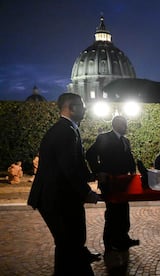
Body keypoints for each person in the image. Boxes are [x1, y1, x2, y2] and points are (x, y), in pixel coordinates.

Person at [27, 92, 100, 276]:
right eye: (82, 106)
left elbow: (75, 163)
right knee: (68, 242)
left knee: (69, 242)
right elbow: (68, 167)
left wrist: (94, 176)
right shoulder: (65, 131)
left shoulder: (67, 129)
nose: (85, 109)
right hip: (56, 197)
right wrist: (86, 192)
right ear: (72, 108)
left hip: (58, 195)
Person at [86, 115, 140, 251]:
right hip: (109, 181)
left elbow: (129, 157)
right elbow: (90, 154)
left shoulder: (125, 141)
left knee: (123, 209)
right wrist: (98, 172)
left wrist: (133, 172)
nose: (126, 127)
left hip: (123, 181)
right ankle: (109, 242)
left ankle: (123, 238)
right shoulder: (104, 137)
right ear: (117, 125)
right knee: (112, 211)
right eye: (124, 124)